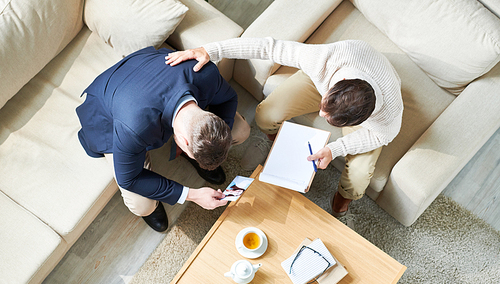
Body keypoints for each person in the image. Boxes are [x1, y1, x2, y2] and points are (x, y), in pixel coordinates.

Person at [165, 37, 403, 218]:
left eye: (327, 117)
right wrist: (211, 50)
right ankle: (279, 143)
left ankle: (343, 202)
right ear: (335, 85)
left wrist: (335, 149)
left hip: (365, 104)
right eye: (323, 107)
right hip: (332, 78)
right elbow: (269, 46)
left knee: (359, 177)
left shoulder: (387, 116)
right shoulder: (325, 59)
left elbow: (378, 137)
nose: (320, 114)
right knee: (266, 115)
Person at [76, 46, 250, 232]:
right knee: (141, 204)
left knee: (241, 130)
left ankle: (200, 150)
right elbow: (129, 179)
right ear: (183, 141)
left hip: (151, 79)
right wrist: (192, 195)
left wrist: (211, 141)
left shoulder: (206, 73)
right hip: (108, 111)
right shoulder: (134, 128)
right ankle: (154, 206)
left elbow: (229, 98)